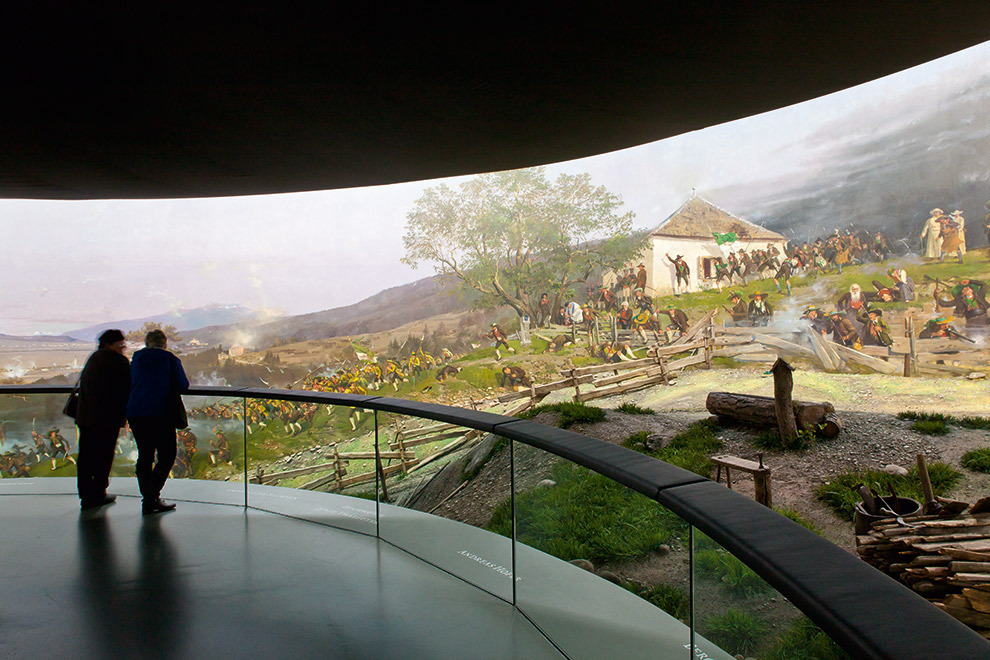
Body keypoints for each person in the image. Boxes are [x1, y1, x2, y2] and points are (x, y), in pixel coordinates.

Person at [127, 329, 189, 515]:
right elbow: (183, 385)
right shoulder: (170, 359)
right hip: (161, 413)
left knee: (145, 455)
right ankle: (151, 497)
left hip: (136, 413)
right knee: (167, 455)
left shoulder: (135, 361)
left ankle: (148, 496)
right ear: (165, 343)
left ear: (147, 343)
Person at [75, 329, 131, 509]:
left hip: (86, 417)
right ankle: (98, 493)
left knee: (86, 456)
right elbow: (125, 390)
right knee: (103, 457)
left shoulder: (94, 358)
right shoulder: (118, 362)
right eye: (120, 345)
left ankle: (85, 494)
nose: (123, 348)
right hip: (107, 419)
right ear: (109, 344)